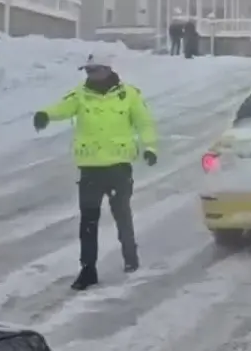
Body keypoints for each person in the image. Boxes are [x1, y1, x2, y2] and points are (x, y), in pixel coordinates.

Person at [34, 53, 158, 290]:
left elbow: (144, 122)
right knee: (88, 222)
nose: (89, 75)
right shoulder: (80, 94)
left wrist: (150, 147)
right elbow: (62, 107)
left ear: (106, 70)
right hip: (90, 168)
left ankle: (130, 257)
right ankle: (88, 270)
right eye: (87, 71)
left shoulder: (128, 94)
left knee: (122, 215)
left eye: (94, 70)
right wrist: (46, 114)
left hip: (118, 167)